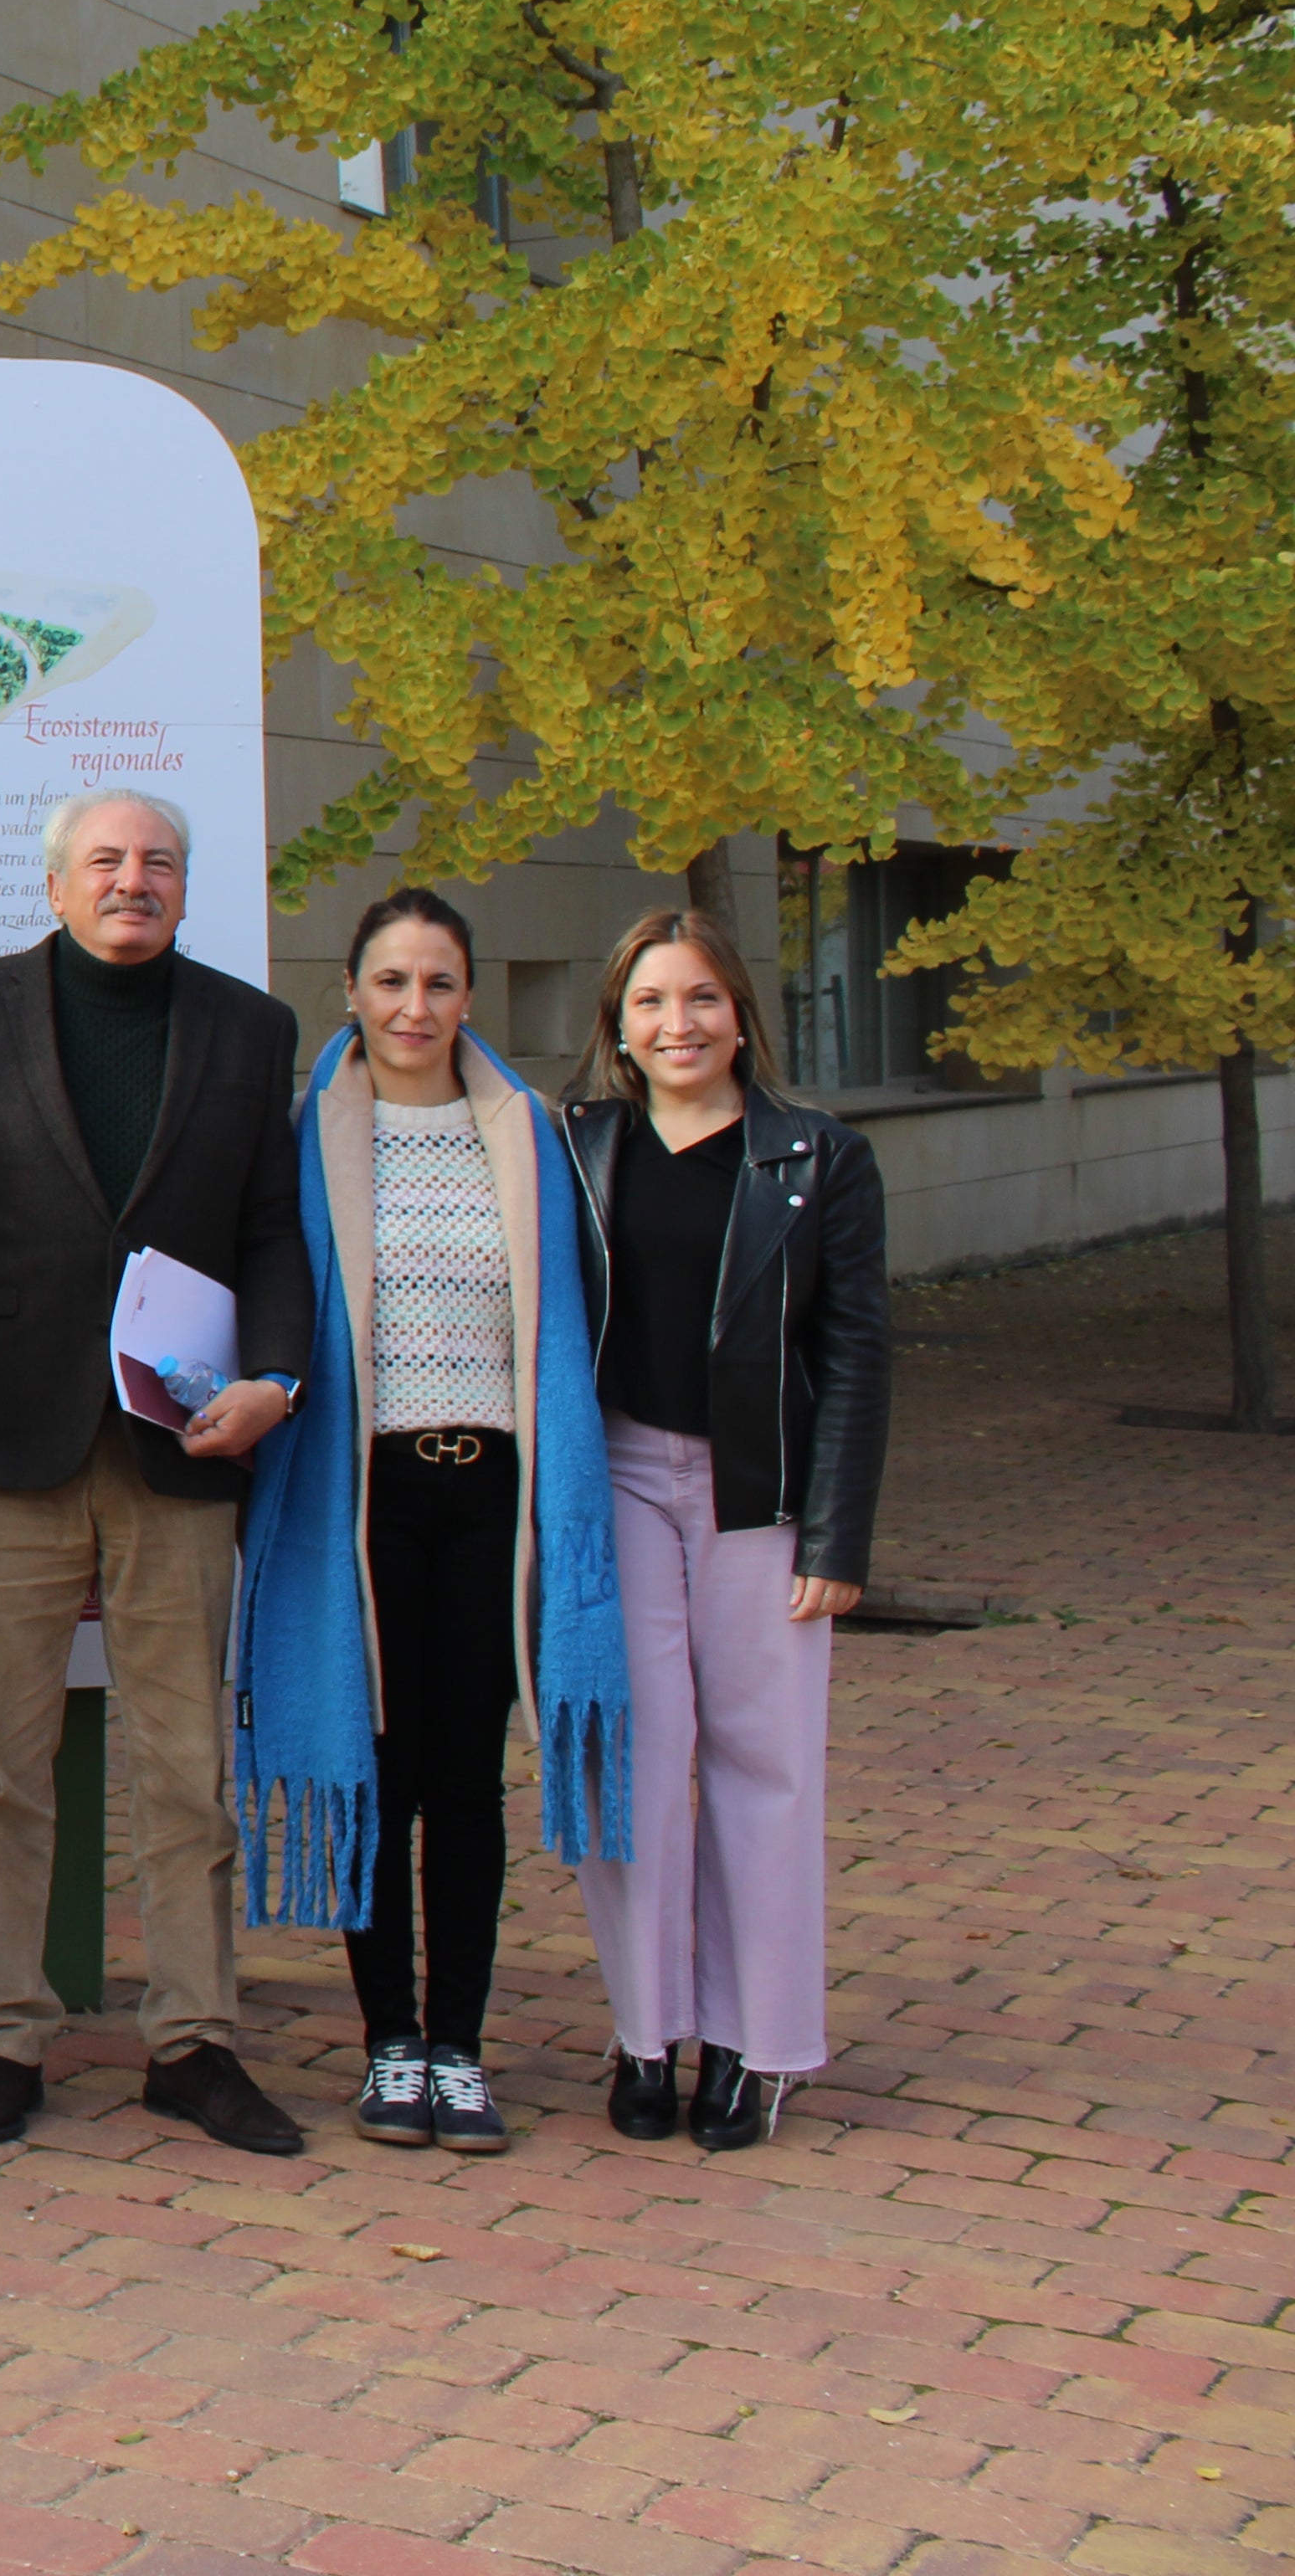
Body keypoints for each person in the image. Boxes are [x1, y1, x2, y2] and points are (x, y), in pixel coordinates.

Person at [0, 786, 314, 2155]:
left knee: (186, 1765)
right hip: (4, 1440)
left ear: (184, 886)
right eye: (108, 861)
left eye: (159, 862)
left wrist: (277, 1378)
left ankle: (194, 2040)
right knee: (3, 1764)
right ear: (56, 884)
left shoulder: (251, 1028)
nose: (135, 880)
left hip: (182, 1443)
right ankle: (6, 2036)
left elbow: (271, 1230)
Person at [229, 890, 630, 2160]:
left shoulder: (528, 1135)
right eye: (391, 982)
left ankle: (458, 2047)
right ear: (350, 991)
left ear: (469, 995)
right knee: (379, 1770)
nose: (415, 1007)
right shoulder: (301, 1139)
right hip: (362, 1502)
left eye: (440, 982)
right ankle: (388, 2045)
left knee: (465, 1783)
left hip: (491, 1500)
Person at [566, 906, 882, 2153]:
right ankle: (647, 2032)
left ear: (741, 1014)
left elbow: (856, 1353)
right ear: (619, 1027)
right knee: (632, 1759)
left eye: (700, 998)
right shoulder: (580, 1145)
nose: (677, 1023)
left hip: (767, 1495)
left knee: (765, 1766)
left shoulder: (819, 1156)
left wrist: (838, 1540)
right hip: (622, 1478)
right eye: (650, 1002)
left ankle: (755, 2044)